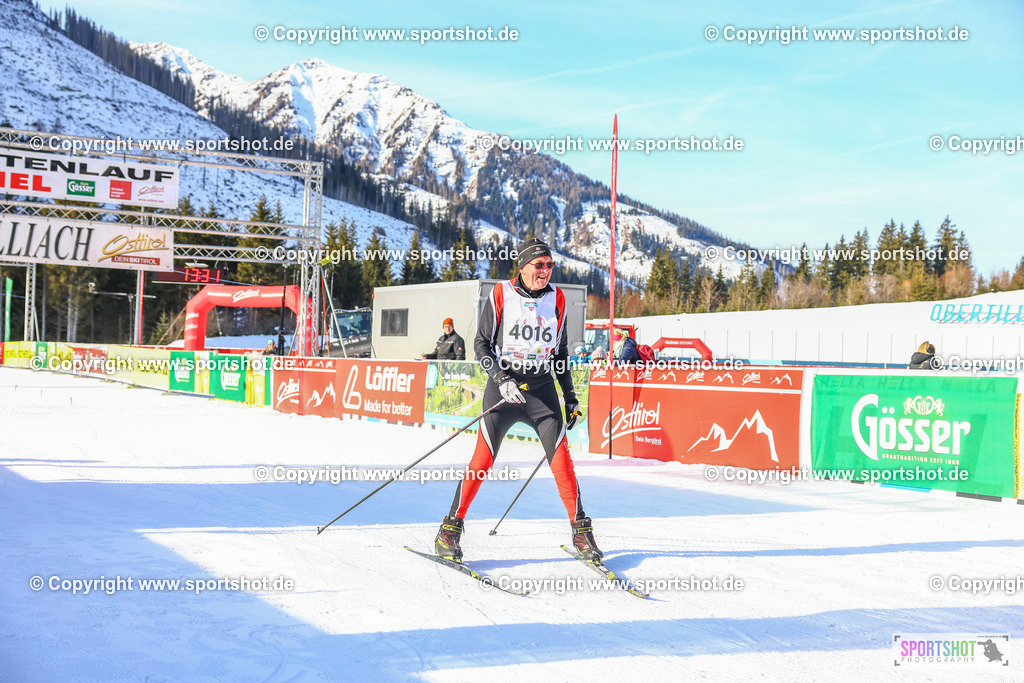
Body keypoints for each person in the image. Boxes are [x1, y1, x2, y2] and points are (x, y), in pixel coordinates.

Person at [435, 237, 601, 562]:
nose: (545, 271)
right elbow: (481, 344)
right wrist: (500, 378)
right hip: (504, 385)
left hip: (540, 389)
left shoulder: (558, 298)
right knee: (482, 460)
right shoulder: (502, 293)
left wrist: (569, 397)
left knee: (562, 461)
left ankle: (581, 533)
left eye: (550, 265)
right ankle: (449, 531)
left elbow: (561, 351)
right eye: (539, 265)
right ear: (523, 266)